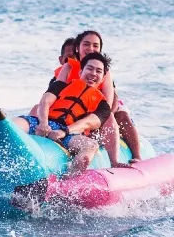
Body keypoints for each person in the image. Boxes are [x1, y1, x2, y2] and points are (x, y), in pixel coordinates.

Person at [13, 51, 112, 178]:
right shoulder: (61, 85)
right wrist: (43, 124)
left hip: (70, 133)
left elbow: (87, 123)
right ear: (81, 72)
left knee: (91, 146)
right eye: (90, 68)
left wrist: (64, 131)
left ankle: (67, 183)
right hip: (42, 123)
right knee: (13, 124)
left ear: (103, 78)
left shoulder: (103, 106)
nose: (93, 73)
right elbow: (45, 101)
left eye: (98, 71)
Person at [54, 30, 142, 165]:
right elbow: (54, 95)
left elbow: (109, 104)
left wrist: (94, 123)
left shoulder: (102, 69)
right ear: (78, 47)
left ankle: (135, 156)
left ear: (100, 49)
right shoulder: (69, 67)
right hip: (75, 110)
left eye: (95, 45)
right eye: (86, 44)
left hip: (100, 110)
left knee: (120, 115)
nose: (90, 48)